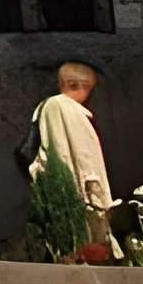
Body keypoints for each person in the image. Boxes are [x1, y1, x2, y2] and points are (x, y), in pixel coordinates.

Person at [31, 59, 113, 242]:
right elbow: (71, 153)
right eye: (89, 89)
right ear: (73, 84)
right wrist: (89, 191)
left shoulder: (69, 109)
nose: (90, 96)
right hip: (74, 191)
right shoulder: (59, 107)